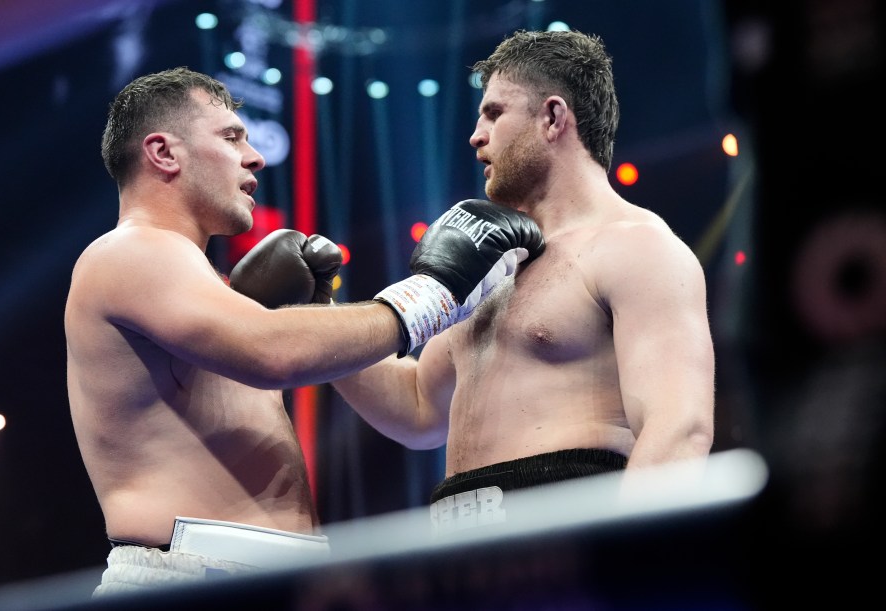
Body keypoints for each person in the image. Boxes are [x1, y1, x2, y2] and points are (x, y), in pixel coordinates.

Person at [65, 66, 545, 596]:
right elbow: (272, 352)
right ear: (163, 153)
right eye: (231, 138)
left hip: (259, 575)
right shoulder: (130, 252)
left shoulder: (202, 290)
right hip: (192, 575)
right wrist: (429, 295)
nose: (255, 157)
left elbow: (410, 415)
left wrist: (320, 308)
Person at [331, 29, 716, 532]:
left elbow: (678, 431)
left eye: (493, 113)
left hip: (570, 523)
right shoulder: (489, 264)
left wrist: (622, 567)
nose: (476, 134)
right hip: (459, 538)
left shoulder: (637, 247)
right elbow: (420, 409)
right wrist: (317, 310)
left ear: (553, 118)